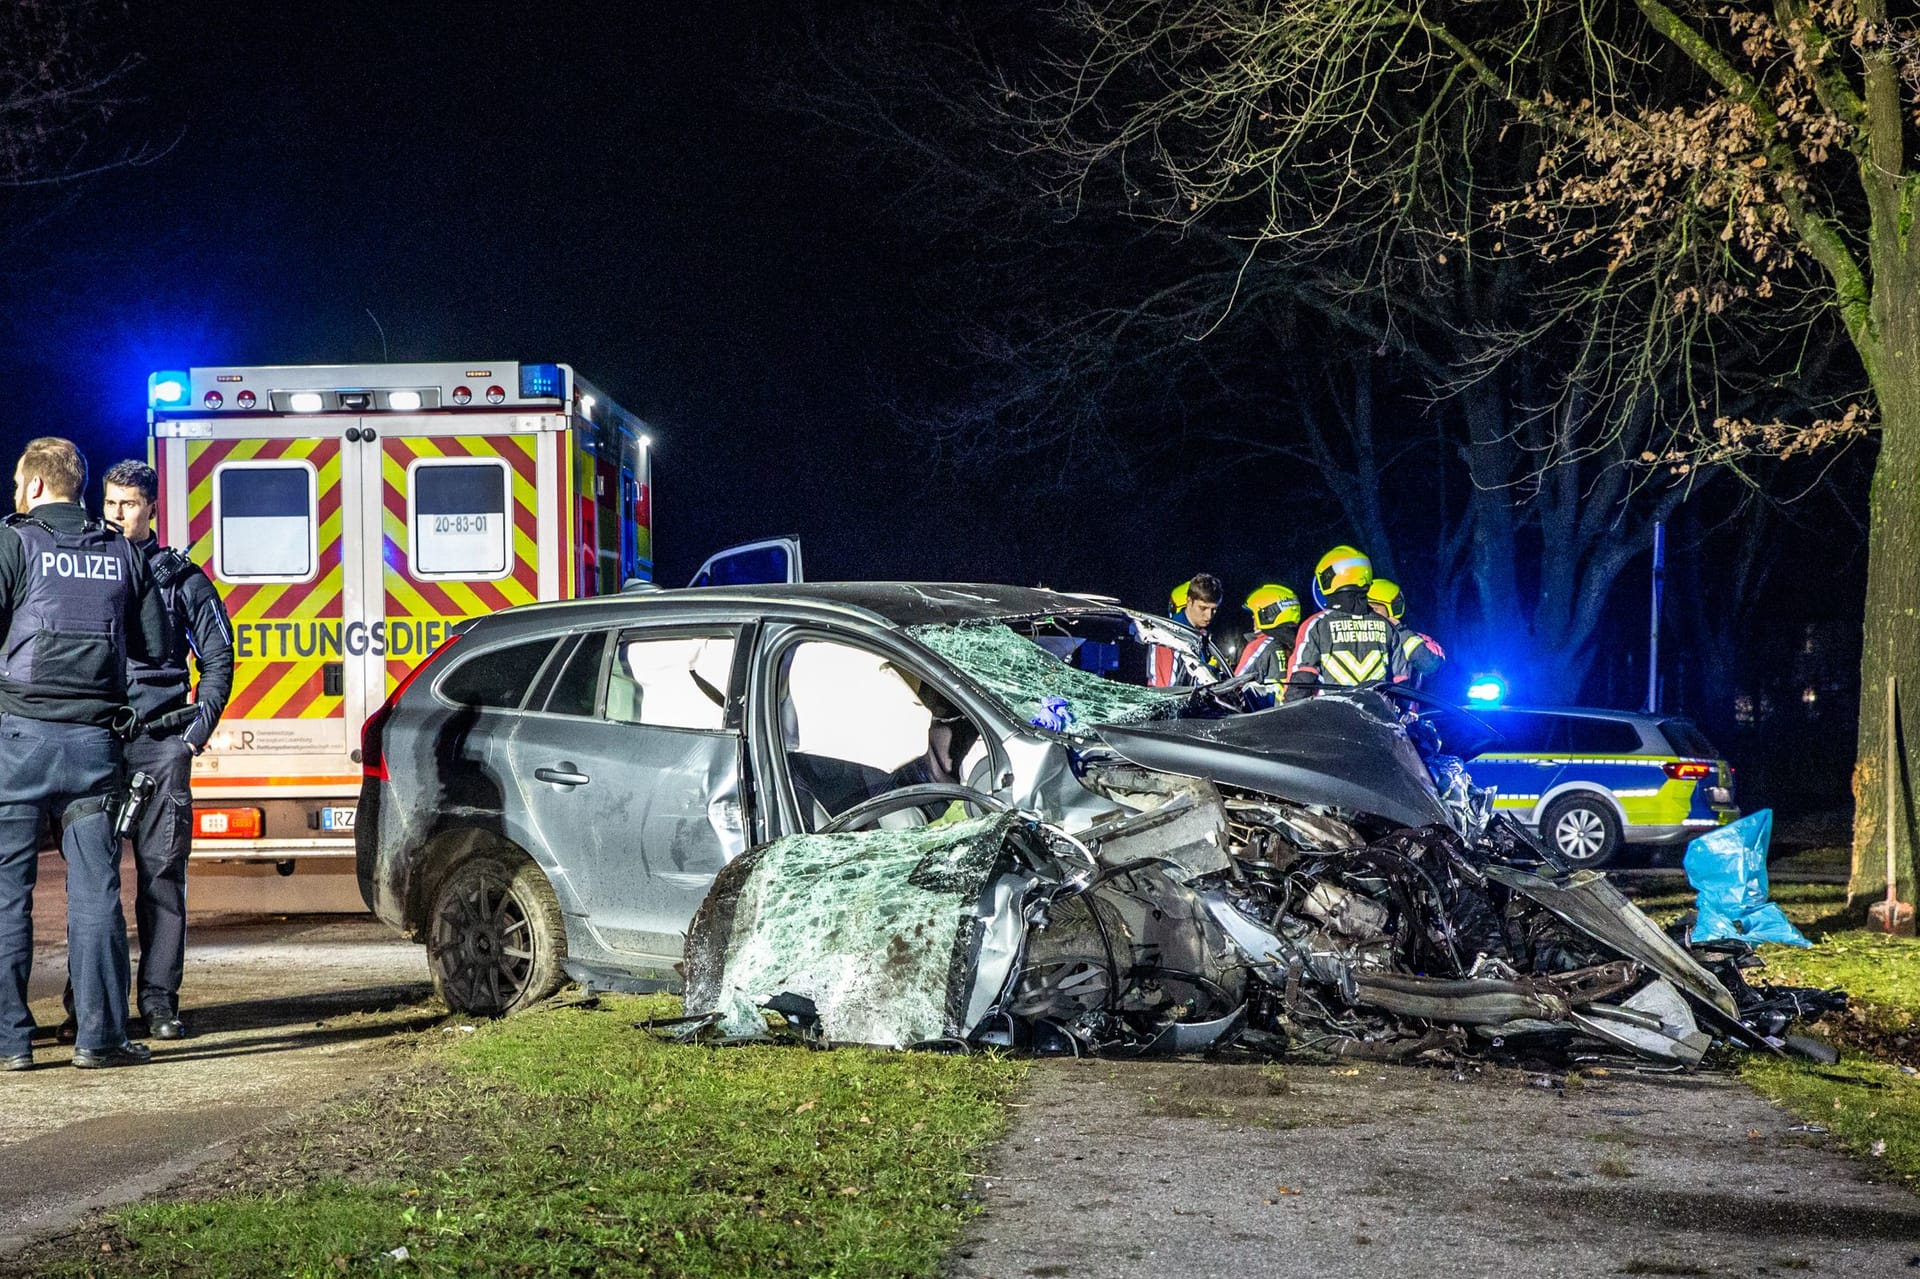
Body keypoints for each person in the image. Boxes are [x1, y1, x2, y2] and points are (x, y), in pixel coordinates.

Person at [0, 438, 167, 1070]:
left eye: (19, 485)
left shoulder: (13, 541)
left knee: (7, 892)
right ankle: (99, 1038)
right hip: (95, 747)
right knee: (96, 890)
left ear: (37, 487)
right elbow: (153, 644)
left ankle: (11, 1042)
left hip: (18, 740)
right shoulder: (120, 551)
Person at [91, 459, 232, 1041]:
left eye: (128, 504)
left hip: (161, 743)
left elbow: (219, 659)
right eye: (110, 504)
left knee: (161, 880)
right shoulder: (88, 569)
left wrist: (193, 737)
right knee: (92, 885)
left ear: (152, 507)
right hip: (98, 744)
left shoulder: (183, 579)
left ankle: (158, 1003)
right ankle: (91, 1004)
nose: (117, 514)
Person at [1283, 546, 1414, 702]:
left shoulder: (1317, 624)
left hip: (1331, 718)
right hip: (1377, 718)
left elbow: (1302, 678)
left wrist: (1286, 718)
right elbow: (1402, 681)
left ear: (1328, 578)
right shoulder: (1387, 626)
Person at [1366, 578, 1446, 685]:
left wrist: (1400, 632)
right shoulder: (1352, 636)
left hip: (1399, 700)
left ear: (1394, 609)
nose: (1368, 614)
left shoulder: (1414, 639)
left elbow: (1432, 665)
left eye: (1374, 609)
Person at [1150, 573, 1224, 688]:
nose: (1209, 616)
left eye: (1214, 610)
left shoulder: (1199, 634)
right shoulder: (1169, 634)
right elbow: (1164, 690)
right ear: (1189, 601)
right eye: (1203, 608)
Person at [1234, 583, 1302, 708]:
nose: (1253, 618)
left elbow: (1234, 683)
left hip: (1268, 720)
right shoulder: (1303, 641)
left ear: (1268, 614)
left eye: (1255, 613)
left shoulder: (1261, 645)